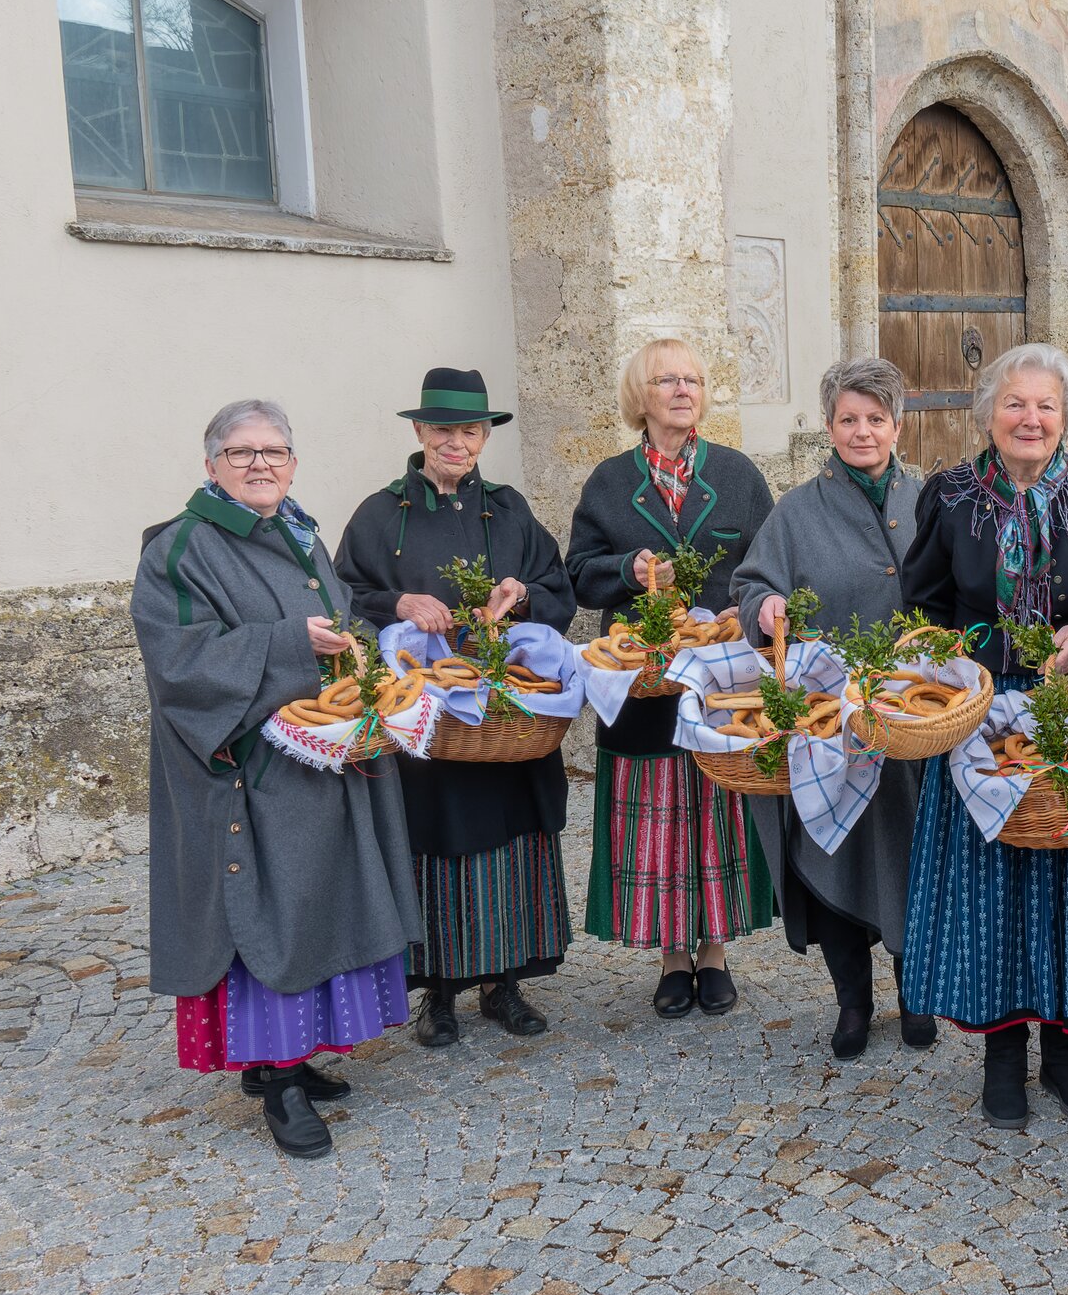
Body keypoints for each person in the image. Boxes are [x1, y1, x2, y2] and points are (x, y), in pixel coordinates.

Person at [131, 400, 424, 1160]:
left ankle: (291, 1058)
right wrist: (290, 644)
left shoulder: (298, 530)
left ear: (292, 462)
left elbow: (337, 615)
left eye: (275, 451)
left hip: (318, 751)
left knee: (315, 900)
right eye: (241, 452)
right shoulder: (181, 549)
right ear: (211, 465)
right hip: (245, 767)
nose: (260, 464)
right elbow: (180, 662)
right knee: (269, 911)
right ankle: (280, 1083)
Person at [900, 342, 1068, 1130]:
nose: (1030, 418)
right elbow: (925, 603)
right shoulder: (946, 495)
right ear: (987, 415)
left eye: (1045, 405)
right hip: (981, 713)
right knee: (994, 885)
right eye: (1014, 404)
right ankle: (1003, 1057)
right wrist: (947, 653)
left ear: (1066, 415)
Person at [336, 367, 577, 1047]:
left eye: (470, 429)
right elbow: (338, 598)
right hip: (428, 722)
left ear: (482, 436)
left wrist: (522, 595)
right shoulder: (381, 514)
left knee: (511, 839)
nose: (457, 441)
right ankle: (437, 995)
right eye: (444, 428)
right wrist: (396, 604)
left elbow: (558, 587)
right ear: (420, 431)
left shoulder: (510, 508)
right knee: (432, 846)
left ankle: (506, 984)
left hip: (506, 719)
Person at [732, 358, 937, 1060]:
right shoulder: (796, 510)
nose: (862, 431)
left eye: (876, 418)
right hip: (828, 724)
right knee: (838, 852)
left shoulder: (928, 498)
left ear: (897, 425)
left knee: (915, 854)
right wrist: (766, 606)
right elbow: (751, 584)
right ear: (829, 426)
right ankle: (853, 1000)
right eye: (848, 418)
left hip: (911, 716)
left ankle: (920, 993)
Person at [568, 338, 776, 1019]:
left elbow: (769, 565)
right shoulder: (607, 481)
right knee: (655, 810)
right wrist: (627, 569)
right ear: (642, 396)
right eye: (666, 380)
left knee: (716, 804)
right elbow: (578, 572)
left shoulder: (739, 475)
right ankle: (671, 955)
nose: (682, 390)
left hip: (721, 677)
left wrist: (740, 609)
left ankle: (713, 949)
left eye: (692, 379)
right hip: (641, 679)